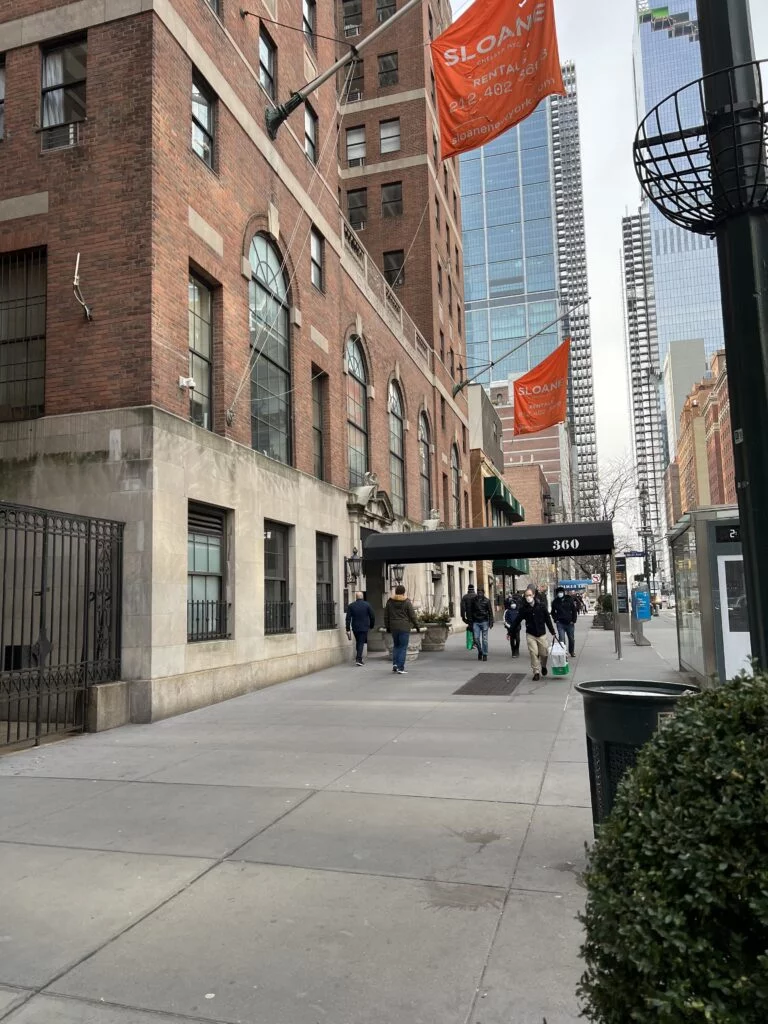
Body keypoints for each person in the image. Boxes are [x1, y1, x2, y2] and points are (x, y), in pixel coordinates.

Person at [507, 586, 556, 680]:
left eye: (529, 595)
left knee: (544, 654)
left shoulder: (541, 606)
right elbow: (517, 620)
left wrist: (553, 632)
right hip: (531, 634)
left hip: (542, 634)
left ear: (533, 595)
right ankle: (536, 672)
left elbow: (547, 619)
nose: (528, 597)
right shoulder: (524, 608)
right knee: (533, 653)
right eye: (526, 596)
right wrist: (510, 632)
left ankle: (544, 666)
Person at [384, 585, 420, 675]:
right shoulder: (407, 602)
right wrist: (417, 626)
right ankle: (401, 667)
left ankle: (395, 665)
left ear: (395, 592)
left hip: (393, 627)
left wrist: (387, 627)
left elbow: (386, 616)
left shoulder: (389, 602)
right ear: (404, 592)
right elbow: (412, 616)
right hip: (404, 626)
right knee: (403, 647)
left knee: (396, 646)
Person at [345, 591, 376, 666]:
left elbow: (348, 618)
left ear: (356, 597)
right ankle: (358, 659)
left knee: (359, 642)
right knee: (361, 642)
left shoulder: (351, 606)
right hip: (364, 627)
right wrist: (371, 625)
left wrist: (348, 628)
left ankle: (359, 657)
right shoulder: (367, 605)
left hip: (355, 627)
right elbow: (372, 616)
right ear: (362, 597)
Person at [468, 585, 493, 661]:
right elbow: (470, 611)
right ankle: (480, 651)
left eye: (481, 592)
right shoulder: (473, 600)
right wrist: (470, 622)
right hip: (476, 622)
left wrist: (491, 622)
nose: (479, 593)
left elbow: (490, 612)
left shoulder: (487, 601)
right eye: (478, 592)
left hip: (484, 621)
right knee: (476, 638)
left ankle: (485, 654)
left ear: (483, 593)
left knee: (484, 639)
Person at [551, 586, 578, 658]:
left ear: (563, 592)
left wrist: (573, 620)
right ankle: (564, 652)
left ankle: (571, 651)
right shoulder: (555, 602)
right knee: (561, 638)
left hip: (570, 623)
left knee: (571, 638)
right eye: (558, 592)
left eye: (561, 592)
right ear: (557, 594)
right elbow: (553, 612)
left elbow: (574, 610)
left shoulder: (569, 599)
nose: (560, 594)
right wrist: (555, 619)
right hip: (560, 623)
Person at [503, 593, 522, 658]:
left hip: (517, 627)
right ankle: (513, 651)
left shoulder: (518, 610)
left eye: (514, 604)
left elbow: (520, 618)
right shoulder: (507, 611)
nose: (513, 605)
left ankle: (517, 649)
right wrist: (509, 626)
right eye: (512, 604)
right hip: (510, 628)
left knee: (518, 639)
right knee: (512, 639)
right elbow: (505, 620)